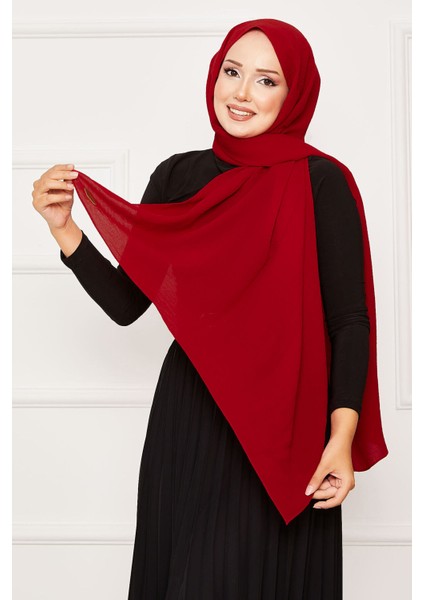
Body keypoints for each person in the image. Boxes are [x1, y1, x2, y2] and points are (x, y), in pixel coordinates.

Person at [32, 18, 388, 600]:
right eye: (232, 71)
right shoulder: (179, 175)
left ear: (294, 93)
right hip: (193, 413)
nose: (241, 93)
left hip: (288, 423)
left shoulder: (322, 182)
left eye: (266, 80)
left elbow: (348, 321)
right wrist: (65, 228)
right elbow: (127, 304)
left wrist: (341, 438)